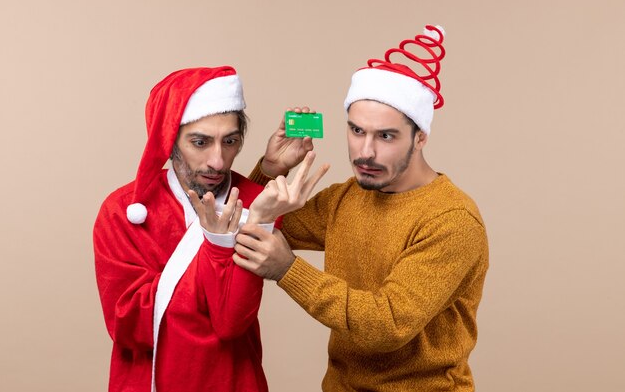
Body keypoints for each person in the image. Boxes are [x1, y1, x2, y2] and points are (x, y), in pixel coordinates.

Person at [235, 25, 490, 391]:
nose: (365, 152)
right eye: (357, 131)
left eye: (385, 136)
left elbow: (386, 326)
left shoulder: (451, 219)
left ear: (420, 137)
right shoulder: (347, 197)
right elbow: (251, 226)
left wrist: (288, 270)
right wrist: (271, 169)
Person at [93, 66, 327, 392]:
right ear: (168, 140)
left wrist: (268, 179)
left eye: (230, 141)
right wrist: (217, 246)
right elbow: (130, 325)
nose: (218, 160)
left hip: (236, 382)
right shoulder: (122, 211)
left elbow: (231, 322)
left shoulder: (260, 202)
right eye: (200, 142)